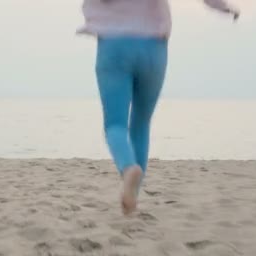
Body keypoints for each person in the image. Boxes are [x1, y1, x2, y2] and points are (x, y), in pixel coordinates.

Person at [78, 0, 240, 214]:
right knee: (141, 124)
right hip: (154, 48)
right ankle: (133, 196)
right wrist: (224, 7)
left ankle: (128, 169)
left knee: (115, 125)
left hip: (113, 46)